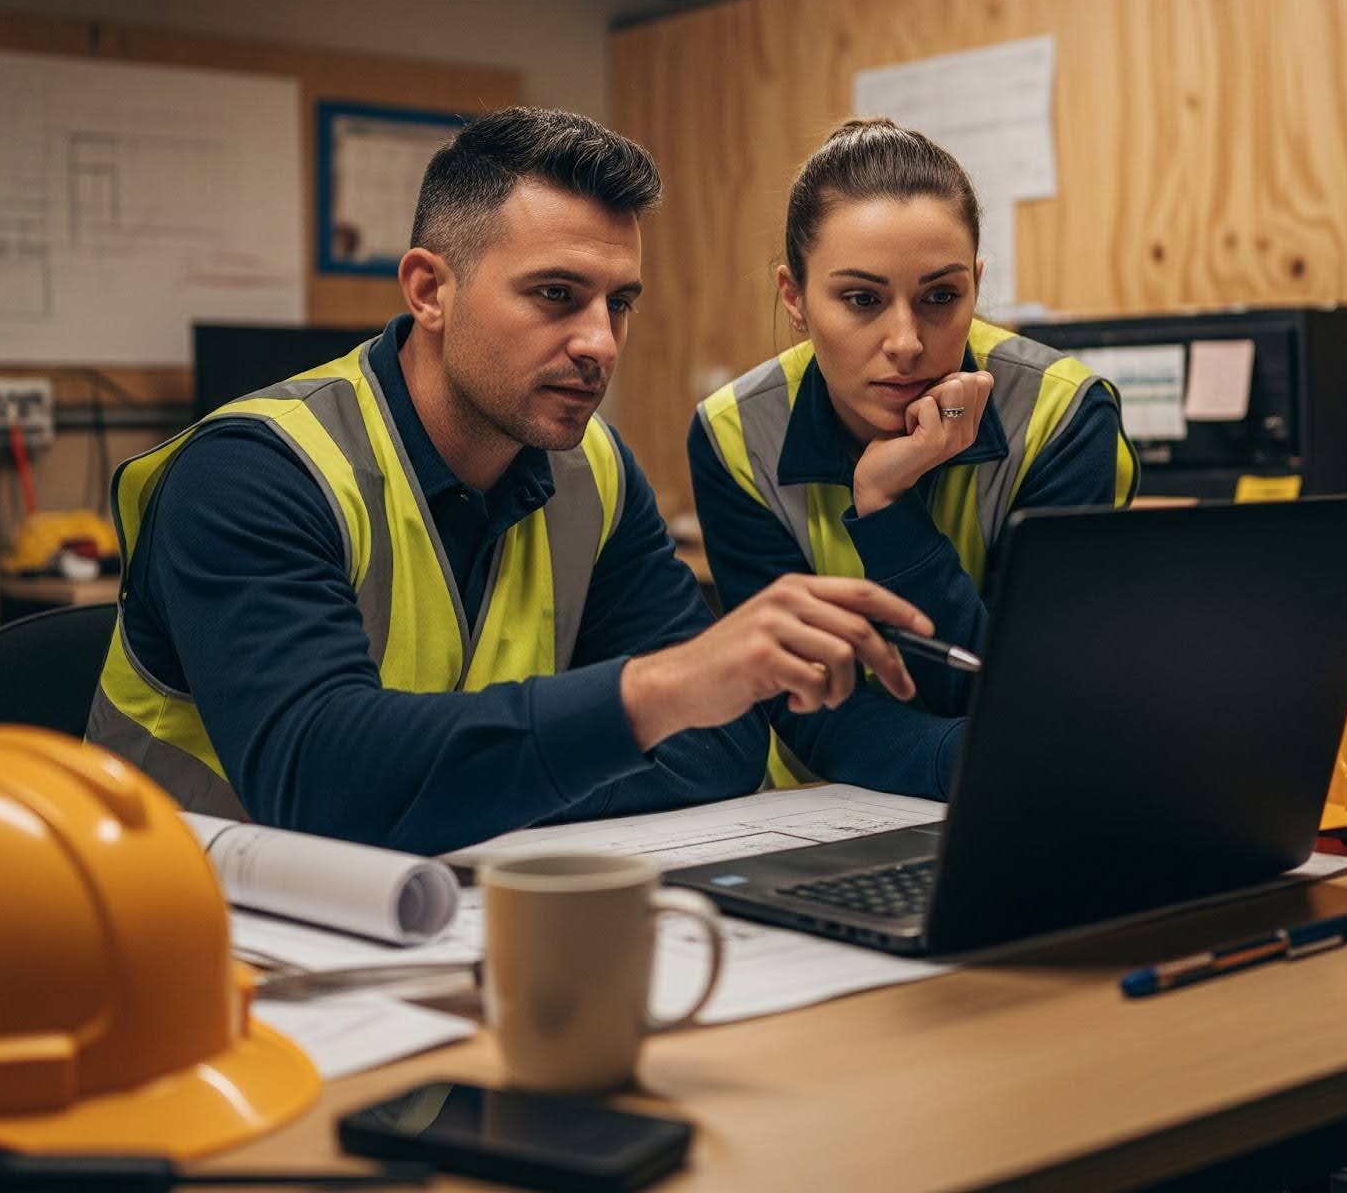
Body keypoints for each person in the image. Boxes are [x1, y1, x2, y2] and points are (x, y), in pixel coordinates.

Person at [87, 108, 931, 854]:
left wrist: (459, 789)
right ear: (429, 291)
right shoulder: (251, 475)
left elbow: (714, 750)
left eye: (620, 303)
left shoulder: (592, 468)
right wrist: (654, 695)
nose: (601, 342)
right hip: (178, 930)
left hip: (422, 922)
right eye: (556, 295)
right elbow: (319, 784)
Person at [689, 118, 1138, 796]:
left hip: (1023, 800)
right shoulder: (734, 434)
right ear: (795, 298)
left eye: (940, 297)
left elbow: (1023, 693)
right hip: (817, 805)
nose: (905, 341)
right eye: (862, 299)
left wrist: (886, 509)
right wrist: (974, 763)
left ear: (975, 286)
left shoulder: (1062, 415)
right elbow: (796, 698)